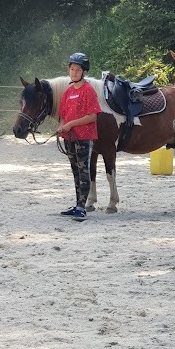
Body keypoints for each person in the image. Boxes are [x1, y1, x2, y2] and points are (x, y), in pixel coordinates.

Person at [57, 52, 102, 222]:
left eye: (77, 70)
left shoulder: (88, 90)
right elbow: (63, 115)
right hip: (69, 137)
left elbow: (92, 116)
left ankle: (82, 207)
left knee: (83, 171)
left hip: (83, 137)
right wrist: (61, 126)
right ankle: (78, 204)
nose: (74, 72)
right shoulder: (68, 92)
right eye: (72, 69)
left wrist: (71, 124)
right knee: (75, 171)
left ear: (84, 72)